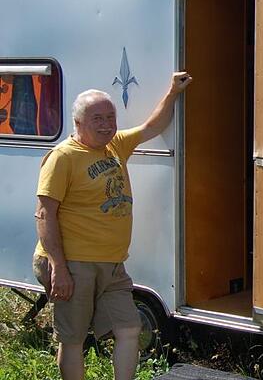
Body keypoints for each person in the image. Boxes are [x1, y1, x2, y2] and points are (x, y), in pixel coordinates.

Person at [33, 72, 192, 380]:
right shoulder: (63, 157)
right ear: (78, 123)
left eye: (110, 117)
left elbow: (152, 127)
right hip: (73, 263)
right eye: (97, 119)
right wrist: (58, 267)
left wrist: (173, 92)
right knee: (73, 339)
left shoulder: (114, 146)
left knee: (129, 327)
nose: (106, 124)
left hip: (112, 264)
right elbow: (44, 214)